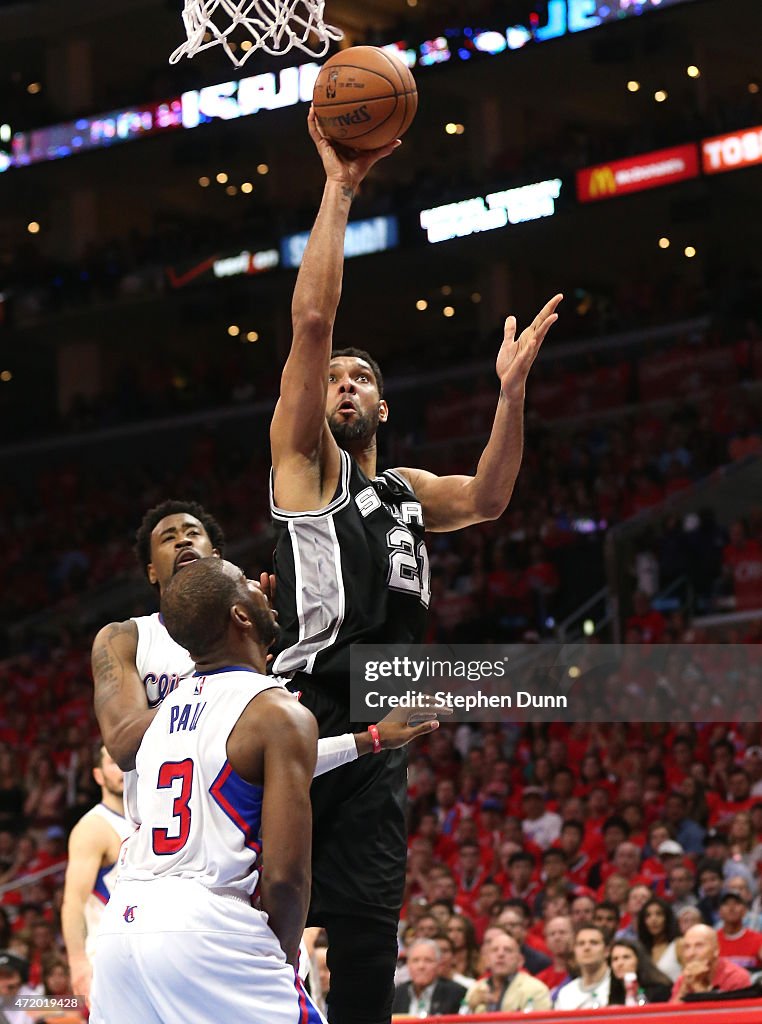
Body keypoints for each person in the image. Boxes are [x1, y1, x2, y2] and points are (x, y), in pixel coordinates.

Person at [268, 108, 562, 1024]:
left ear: (383, 407)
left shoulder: (401, 488)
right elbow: (313, 320)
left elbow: (488, 499)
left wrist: (511, 396)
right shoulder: (302, 462)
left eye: (361, 380)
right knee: (264, 919)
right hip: (309, 701)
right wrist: (340, 188)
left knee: (364, 937)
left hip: (390, 705)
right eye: (334, 379)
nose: (342, 385)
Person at [91, 501, 438, 992]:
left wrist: (370, 738)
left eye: (194, 533)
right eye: (167, 537)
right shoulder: (132, 637)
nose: (183, 540)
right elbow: (128, 744)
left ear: (217, 554)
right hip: (212, 906)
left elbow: (266, 755)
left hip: (136, 910)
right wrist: (231, 665)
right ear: (151, 569)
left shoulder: (258, 664)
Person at [89, 557, 323, 1023]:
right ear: (239, 617)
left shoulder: (156, 719)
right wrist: (280, 954)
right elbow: (285, 877)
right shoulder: (278, 715)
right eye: (246, 585)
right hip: (208, 926)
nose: (260, 587)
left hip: (123, 927)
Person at [61, 746, 130, 1002]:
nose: (123, 769)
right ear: (98, 776)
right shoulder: (93, 827)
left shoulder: (151, 818)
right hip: (108, 958)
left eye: (126, 760)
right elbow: (73, 903)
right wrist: (78, 964)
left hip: (146, 952)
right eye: (113, 763)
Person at [465, 930, 551, 1013]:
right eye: (495, 950)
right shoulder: (475, 989)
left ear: (520, 961)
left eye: (508, 950)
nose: (500, 954)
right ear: (487, 960)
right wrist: (470, 1007)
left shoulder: (536, 989)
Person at [671, 923, 752, 1001]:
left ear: (716, 950)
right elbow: (671, 1013)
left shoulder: (737, 978)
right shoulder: (685, 977)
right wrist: (685, 986)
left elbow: (724, 1014)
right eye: (687, 947)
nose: (691, 953)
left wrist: (697, 986)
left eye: (699, 945)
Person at [391, 939, 466, 1017]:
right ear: (408, 964)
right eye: (415, 960)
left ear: (438, 964)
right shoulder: (396, 995)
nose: (421, 966)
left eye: (428, 960)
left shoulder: (456, 993)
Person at [554, 926, 611, 1010]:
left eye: (593, 943)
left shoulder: (619, 985)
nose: (586, 948)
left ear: (607, 951)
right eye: (581, 944)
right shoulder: (566, 994)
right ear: (574, 951)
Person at [608, 938, 672, 1005]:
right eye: (615, 959)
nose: (620, 963)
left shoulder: (660, 990)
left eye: (626, 957)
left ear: (639, 960)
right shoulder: (615, 991)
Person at [637, 897, 682, 982]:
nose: (653, 920)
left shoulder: (679, 944)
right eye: (648, 916)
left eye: (659, 914)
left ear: (667, 918)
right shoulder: (641, 950)